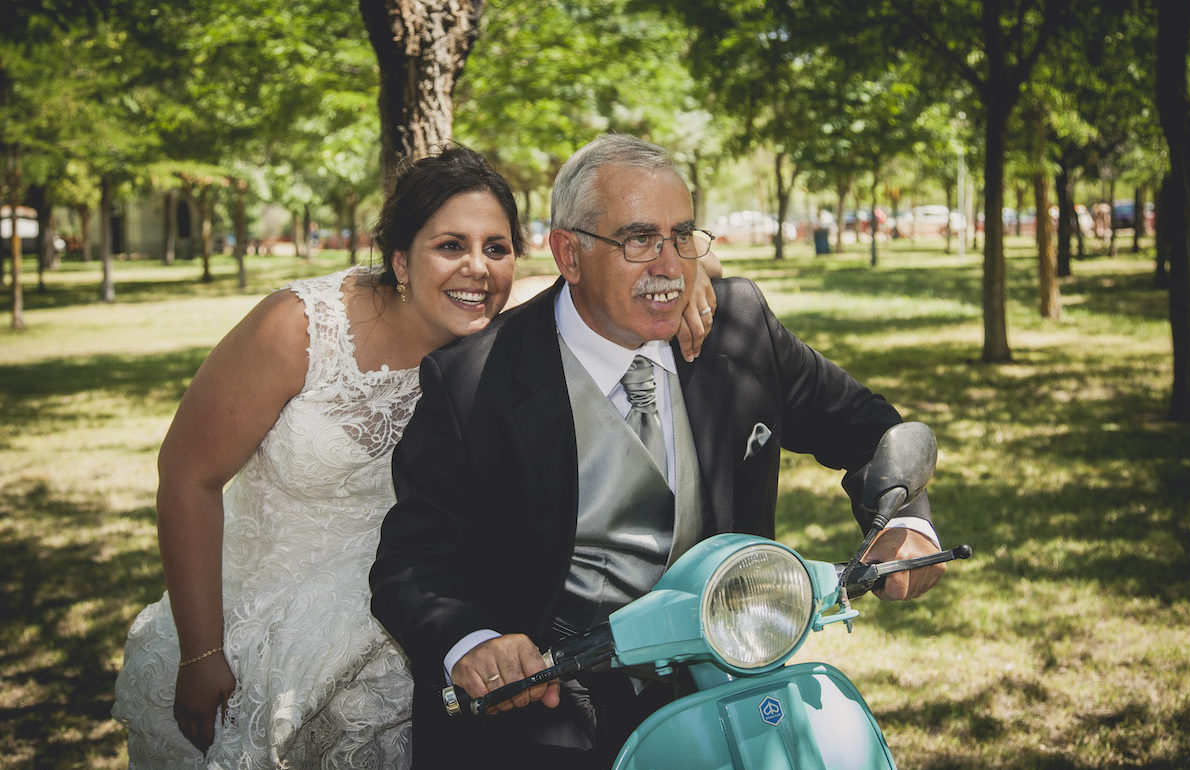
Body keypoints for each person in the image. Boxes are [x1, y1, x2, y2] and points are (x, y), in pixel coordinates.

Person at [112, 144, 719, 769]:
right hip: (262, 637)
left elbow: (612, 266)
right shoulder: (298, 328)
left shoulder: (508, 340)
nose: (477, 269)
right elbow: (188, 477)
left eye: (497, 248)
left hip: (419, 639)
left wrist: (693, 268)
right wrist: (201, 649)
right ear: (400, 260)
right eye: (450, 246)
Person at [369, 133, 947, 769]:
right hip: (553, 701)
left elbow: (866, 427)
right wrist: (471, 642)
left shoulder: (741, 329)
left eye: (682, 236)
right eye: (639, 240)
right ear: (569, 254)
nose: (670, 266)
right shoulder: (472, 380)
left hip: (728, 678)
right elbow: (411, 562)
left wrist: (906, 523)